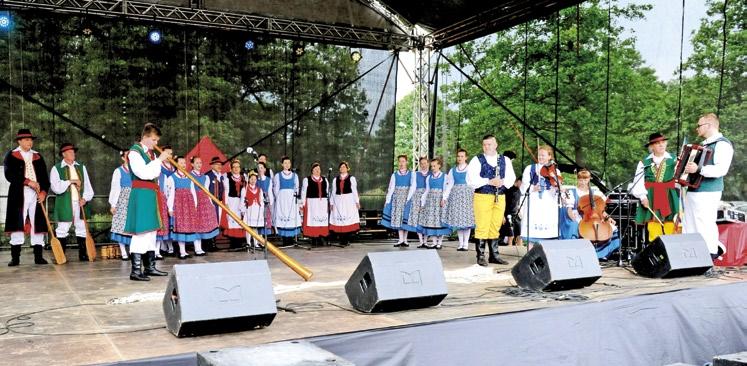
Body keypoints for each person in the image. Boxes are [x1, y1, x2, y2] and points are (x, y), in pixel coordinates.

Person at [682, 113, 733, 259]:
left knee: (704, 223)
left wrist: (698, 169)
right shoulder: (703, 145)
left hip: (709, 191)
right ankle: (690, 256)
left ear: (709, 125)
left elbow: (721, 169)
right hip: (693, 190)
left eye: (699, 125)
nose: (697, 128)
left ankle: (710, 255)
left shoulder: (722, 144)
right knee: (689, 223)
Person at [123, 123, 170, 281]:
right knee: (141, 231)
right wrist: (160, 160)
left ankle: (150, 266)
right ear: (145, 137)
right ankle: (136, 270)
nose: (156, 144)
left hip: (151, 193)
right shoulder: (134, 152)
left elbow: (154, 173)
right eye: (154, 140)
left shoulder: (151, 154)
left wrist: (157, 161)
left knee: (151, 231)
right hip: (141, 193)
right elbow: (143, 173)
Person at [466, 134, 516, 266]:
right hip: (482, 196)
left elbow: (511, 178)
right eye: (484, 144)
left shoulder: (505, 160)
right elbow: (470, 180)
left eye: (489, 144)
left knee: (496, 224)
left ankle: (494, 255)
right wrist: (488, 181)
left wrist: (502, 182)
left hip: (500, 196)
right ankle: (481, 255)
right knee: (482, 225)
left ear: (496, 144)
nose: (486, 147)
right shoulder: (477, 160)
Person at [3, 129, 51, 266]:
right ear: (19, 141)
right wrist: (28, 181)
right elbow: (9, 174)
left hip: (36, 194)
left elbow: (44, 178)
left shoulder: (38, 156)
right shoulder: (11, 155)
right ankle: (15, 258)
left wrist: (43, 192)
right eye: (26, 139)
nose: (30, 142)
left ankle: (38, 256)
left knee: (38, 223)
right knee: (18, 223)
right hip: (19, 193)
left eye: (31, 139)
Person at [630, 133, 680, 243]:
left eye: (663, 142)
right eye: (657, 143)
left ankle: (672, 249)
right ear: (651, 146)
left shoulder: (675, 160)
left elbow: (680, 178)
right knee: (653, 226)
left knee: (671, 223)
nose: (661, 145)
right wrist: (643, 197)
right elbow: (638, 182)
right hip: (651, 196)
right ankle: (656, 248)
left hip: (669, 195)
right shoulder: (644, 163)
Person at [559, 169, 620, 259]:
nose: (583, 182)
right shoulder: (572, 192)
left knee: (612, 228)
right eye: (580, 180)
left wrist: (609, 217)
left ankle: (601, 254)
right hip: (580, 217)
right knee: (577, 227)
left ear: (589, 179)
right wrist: (574, 220)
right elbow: (569, 210)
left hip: (596, 218)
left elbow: (601, 210)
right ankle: (581, 254)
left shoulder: (596, 192)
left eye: (585, 179)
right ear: (577, 179)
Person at [50, 143, 95, 261]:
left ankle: (83, 254)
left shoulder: (81, 167)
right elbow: (56, 188)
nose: (72, 154)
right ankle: (61, 255)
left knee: (81, 227)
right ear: (63, 154)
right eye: (69, 152)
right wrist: (70, 181)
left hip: (80, 203)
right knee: (62, 228)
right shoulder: (56, 168)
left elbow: (88, 186)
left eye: (73, 152)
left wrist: (85, 199)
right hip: (65, 203)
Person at [169, 156, 217, 259]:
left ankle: (197, 248)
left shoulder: (198, 177)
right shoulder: (178, 177)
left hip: (195, 203)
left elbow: (200, 192)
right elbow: (172, 193)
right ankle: (184, 250)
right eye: (180, 163)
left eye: (183, 163)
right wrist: (170, 208)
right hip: (183, 204)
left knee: (196, 226)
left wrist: (204, 203)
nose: (182, 165)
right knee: (184, 226)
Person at [520, 145, 561, 244]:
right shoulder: (530, 168)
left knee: (547, 234)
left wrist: (557, 187)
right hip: (534, 201)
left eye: (543, 155)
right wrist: (533, 188)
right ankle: (531, 256)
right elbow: (524, 186)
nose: (540, 157)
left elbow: (558, 188)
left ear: (549, 156)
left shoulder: (554, 170)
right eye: (539, 155)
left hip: (548, 202)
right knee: (532, 235)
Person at [445, 149, 475, 251]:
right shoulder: (453, 170)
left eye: (462, 156)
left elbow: (473, 184)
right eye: (458, 156)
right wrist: (445, 197)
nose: (460, 158)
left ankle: (465, 243)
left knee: (466, 220)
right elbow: (449, 185)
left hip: (467, 195)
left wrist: (475, 196)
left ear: (466, 157)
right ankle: (460, 243)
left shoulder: (470, 169)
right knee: (458, 220)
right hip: (456, 196)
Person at [189, 156, 220, 253]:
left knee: (203, 224)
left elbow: (207, 191)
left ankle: (201, 247)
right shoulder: (189, 175)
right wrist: (194, 203)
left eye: (200, 163)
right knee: (196, 224)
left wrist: (210, 203)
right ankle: (197, 248)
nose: (199, 165)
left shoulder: (205, 177)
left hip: (204, 200)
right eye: (197, 163)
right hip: (195, 200)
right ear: (192, 164)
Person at [419, 157, 452, 249]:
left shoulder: (444, 176)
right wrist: (423, 203)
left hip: (440, 200)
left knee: (439, 221)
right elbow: (427, 190)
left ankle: (439, 243)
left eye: (434, 166)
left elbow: (446, 189)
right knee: (432, 222)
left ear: (439, 166)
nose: (432, 168)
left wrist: (444, 199)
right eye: (432, 166)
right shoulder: (429, 177)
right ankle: (434, 242)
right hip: (431, 201)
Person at [382, 155, 413, 247]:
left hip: (407, 199)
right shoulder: (395, 175)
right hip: (397, 199)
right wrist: (387, 200)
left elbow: (412, 187)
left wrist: (409, 198)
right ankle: (400, 239)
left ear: (406, 162)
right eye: (400, 161)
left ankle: (405, 240)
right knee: (398, 218)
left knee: (405, 218)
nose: (401, 163)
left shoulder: (411, 174)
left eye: (403, 161)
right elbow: (391, 189)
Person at [329, 161, 360, 246]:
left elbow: (354, 190)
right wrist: (331, 203)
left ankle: (346, 239)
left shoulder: (351, 178)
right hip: (338, 201)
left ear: (347, 168)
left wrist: (357, 201)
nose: (342, 168)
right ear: (339, 169)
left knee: (347, 219)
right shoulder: (335, 179)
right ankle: (341, 239)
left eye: (344, 167)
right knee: (340, 220)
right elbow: (333, 192)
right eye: (341, 167)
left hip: (348, 201)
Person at [273, 156, 302, 245]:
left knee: (291, 216)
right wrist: (280, 198)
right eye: (285, 163)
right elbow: (276, 189)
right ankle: (284, 238)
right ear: (282, 164)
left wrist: (294, 198)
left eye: (288, 163)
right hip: (282, 200)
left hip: (291, 199)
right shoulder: (278, 175)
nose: (287, 164)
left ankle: (291, 238)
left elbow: (296, 188)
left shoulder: (294, 175)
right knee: (283, 215)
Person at [402, 157, 430, 247]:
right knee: (418, 219)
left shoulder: (431, 173)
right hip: (417, 196)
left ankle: (426, 241)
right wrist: (408, 199)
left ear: (428, 163)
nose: (423, 165)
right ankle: (421, 241)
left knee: (427, 219)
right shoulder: (416, 174)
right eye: (421, 163)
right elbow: (413, 187)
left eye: (425, 163)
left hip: (428, 197)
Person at [109, 151, 131, 261]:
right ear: (123, 158)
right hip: (122, 200)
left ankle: (133, 251)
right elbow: (115, 188)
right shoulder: (118, 171)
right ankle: (123, 252)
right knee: (121, 226)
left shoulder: (136, 170)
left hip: (134, 200)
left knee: (133, 226)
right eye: (127, 156)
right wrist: (113, 204)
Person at [300, 162, 330, 246]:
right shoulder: (307, 179)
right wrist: (303, 204)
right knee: (312, 221)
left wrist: (328, 203)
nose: (317, 170)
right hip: (312, 203)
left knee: (321, 221)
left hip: (322, 203)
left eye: (318, 169)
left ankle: (321, 237)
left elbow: (327, 192)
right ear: (312, 171)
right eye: (315, 169)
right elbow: (303, 192)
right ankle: (313, 238)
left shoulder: (325, 180)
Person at [221, 159, 247, 249]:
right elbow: (226, 191)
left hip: (241, 202)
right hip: (231, 201)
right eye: (234, 167)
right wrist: (226, 203)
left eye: (237, 167)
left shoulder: (244, 177)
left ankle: (240, 243)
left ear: (240, 168)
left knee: (240, 221)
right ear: (231, 169)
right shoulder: (227, 177)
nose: (236, 168)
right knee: (232, 221)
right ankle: (233, 244)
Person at [242, 170, 271, 249]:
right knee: (249, 227)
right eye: (251, 179)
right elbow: (242, 200)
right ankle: (248, 243)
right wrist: (243, 209)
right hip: (249, 209)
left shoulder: (259, 190)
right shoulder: (245, 189)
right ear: (249, 180)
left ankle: (256, 243)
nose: (253, 181)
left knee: (255, 228)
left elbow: (261, 200)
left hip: (256, 209)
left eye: (255, 179)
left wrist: (261, 210)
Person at [156, 145, 175, 258]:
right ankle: (160, 248)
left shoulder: (174, 168)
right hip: (160, 195)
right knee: (162, 222)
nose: (169, 156)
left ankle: (170, 247)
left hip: (172, 197)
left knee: (171, 222)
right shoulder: (158, 167)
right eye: (167, 153)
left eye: (171, 154)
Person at [204, 156, 226, 251]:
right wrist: (210, 202)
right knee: (210, 223)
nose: (219, 166)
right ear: (212, 166)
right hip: (211, 203)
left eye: (220, 164)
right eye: (217, 164)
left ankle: (213, 243)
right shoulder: (208, 176)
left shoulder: (221, 176)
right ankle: (209, 244)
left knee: (217, 222)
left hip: (219, 203)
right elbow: (206, 190)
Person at [499, 178, 523, 247]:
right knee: (511, 234)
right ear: (518, 181)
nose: (522, 185)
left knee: (519, 234)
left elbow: (517, 203)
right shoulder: (508, 190)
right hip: (508, 214)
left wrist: (519, 211)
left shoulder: (519, 190)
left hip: (516, 214)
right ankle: (509, 247)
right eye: (521, 183)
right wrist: (503, 215)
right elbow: (503, 203)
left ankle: (520, 247)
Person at [256, 162, 274, 237]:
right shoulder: (255, 179)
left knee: (265, 218)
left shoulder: (268, 179)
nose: (260, 170)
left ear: (264, 169)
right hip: (257, 200)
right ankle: (258, 239)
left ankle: (264, 238)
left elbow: (270, 191)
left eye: (261, 168)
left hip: (265, 200)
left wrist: (271, 202)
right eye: (258, 168)